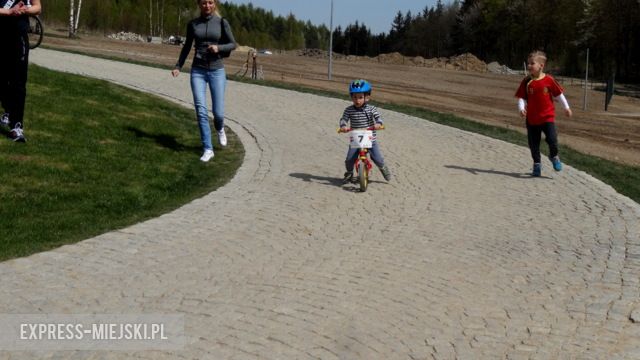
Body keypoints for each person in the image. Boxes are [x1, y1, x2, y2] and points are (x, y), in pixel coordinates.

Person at [171, 0, 236, 162]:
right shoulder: (193, 24)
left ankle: (220, 128)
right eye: (204, 3)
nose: (207, 6)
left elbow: (233, 44)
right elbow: (187, 46)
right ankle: (208, 148)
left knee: (218, 113)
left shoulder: (221, 22)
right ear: (199, 5)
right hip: (198, 71)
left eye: (210, 2)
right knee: (200, 110)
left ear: (214, 4)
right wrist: (178, 66)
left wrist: (218, 48)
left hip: (217, 71)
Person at [515, 50, 572, 177]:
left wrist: (566, 107)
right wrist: (521, 108)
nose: (529, 66)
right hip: (532, 119)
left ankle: (554, 156)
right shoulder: (526, 81)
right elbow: (522, 97)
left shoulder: (549, 80)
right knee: (533, 144)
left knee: (552, 140)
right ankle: (537, 164)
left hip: (547, 118)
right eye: (528, 63)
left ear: (541, 65)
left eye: (532, 63)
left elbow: (559, 95)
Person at [0, 0, 41, 142]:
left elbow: (37, 7)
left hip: (19, 37)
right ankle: (8, 110)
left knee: (19, 82)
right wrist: (9, 11)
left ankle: (17, 127)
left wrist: (25, 10)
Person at [339, 79, 391, 183]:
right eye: (354, 97)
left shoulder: (371, 109)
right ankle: (349, 173)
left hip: (370, 138)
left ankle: (383, 167)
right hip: (356, 139)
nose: (357, 100)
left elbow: (378, 118)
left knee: (377, 158)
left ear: (367, 97)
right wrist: (343, 126)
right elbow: (343, 119)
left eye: (360, 97)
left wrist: (378, 124)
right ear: (351, 97)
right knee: (349, 159)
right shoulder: (349, 110)